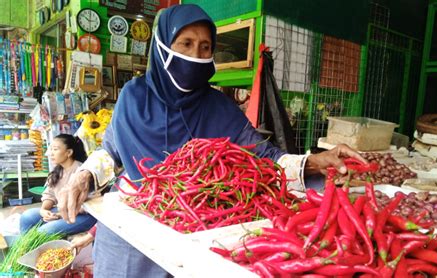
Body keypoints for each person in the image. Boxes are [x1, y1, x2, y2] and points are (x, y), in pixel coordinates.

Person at [56, 4, 365, 277]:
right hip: (133, 232)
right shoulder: (134, 97)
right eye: (186, 44)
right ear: (163, 46)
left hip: (199, 232)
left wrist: (310, 162)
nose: (196, 55)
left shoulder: (219, 108)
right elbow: (110, 152)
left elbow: (263, 157)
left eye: (205, 48)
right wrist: (84, 175)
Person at [19, 134, 97, 235]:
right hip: (60, 211)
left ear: (69, 152)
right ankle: (26, 250)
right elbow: (49, 194)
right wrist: (44, 210)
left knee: (43, 231)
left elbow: (89, 203)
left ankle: (34, 248)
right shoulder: (57, 171)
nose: (50, 153)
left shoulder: (82, 172)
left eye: (55, 149)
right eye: (50, 149)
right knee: (27, 216)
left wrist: (59, 215)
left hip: (83, 215)